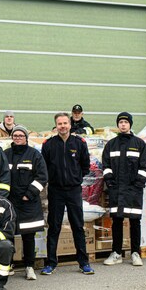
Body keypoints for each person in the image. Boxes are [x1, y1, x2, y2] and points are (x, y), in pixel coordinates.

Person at [41, 112, 93, 275]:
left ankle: (83, 262)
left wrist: (75, 178)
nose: (62, 126)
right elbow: (44, 167)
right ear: (56, 126)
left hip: (73, 190)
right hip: (55, 190)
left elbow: (85, 165)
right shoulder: (49, 144)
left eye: (65, 123)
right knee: (54, 226)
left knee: (77, 225)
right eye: (59, 123)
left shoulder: (79, 143)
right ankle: (50, 263)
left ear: (70, 124)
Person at [102, 112, 146, 267]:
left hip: (133, 190)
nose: (123, 124)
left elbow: (145, 167)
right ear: (118, 125)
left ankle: (136, 253)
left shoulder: (139, 144)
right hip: (116, 190)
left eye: (125, 122)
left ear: (130, 124)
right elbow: (106, 165)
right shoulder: (111, 144)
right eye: (120, 122)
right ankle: (116, 253)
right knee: (117, 221)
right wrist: (110, 183)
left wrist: (138, 185)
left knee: (135, 221)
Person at [4, 125, 48, 280]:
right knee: (8, 234)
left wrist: (28, 194)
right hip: (9, 202)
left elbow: (42, 177)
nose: (17, 137)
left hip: (28, 202)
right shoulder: (6, 154)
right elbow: (0, 175)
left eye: (20, 135)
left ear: (26, 138)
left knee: (28, 236)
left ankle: (29, 266)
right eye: (15, 135)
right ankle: (8, 264)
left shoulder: (35, 155)